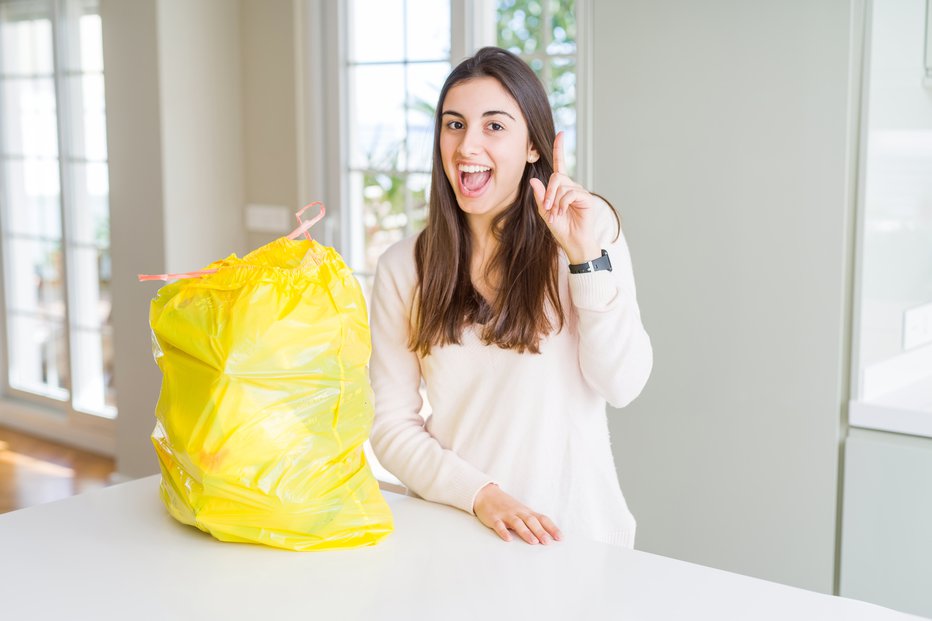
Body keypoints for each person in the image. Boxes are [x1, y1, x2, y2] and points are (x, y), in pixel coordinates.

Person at [368, 46, 652, 548]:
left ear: (532, 147)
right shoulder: (403, 268)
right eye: (454, 124)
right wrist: (481, 495)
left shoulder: (589, 233)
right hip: (459, 536)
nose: (467, 145)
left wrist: (584, 258)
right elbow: (391, 425)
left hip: (577, 540)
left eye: (494, 126)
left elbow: (623, 383)